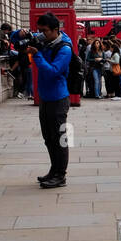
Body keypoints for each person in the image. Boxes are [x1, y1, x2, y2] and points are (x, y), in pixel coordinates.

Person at [26, 13, 72, 188]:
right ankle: (54, 170)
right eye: (39, 30)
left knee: (59, 138)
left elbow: (53, 71)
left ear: (55, 30)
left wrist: (37, 55)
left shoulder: (64, 49)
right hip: (45, 97)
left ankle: (61, 176)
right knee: (48, 138)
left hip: (58, 99)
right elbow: (18, 37)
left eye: (44, 31)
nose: (41, 34)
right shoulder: (45, 41)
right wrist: (22, 35)